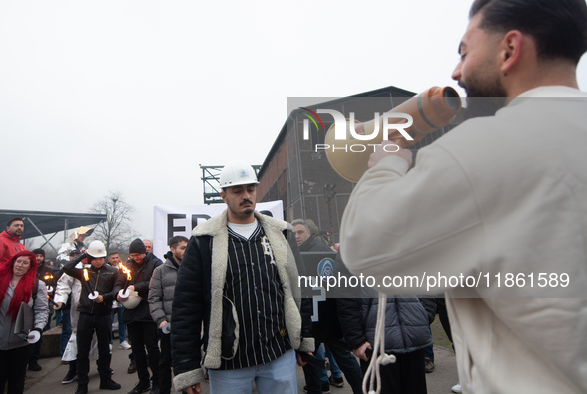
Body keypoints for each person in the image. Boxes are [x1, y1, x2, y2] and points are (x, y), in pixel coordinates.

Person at [339, 1, 587, 392]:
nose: (457, 72)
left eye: (464, 51)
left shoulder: (482, 147)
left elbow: (365, 247)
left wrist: (387, 163)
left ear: (510, 49)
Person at [171, 160, 314, 394]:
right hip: (229, 364)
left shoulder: (281, 234)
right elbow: (186, 306)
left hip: (278, 354)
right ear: (223, 196)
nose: (246, 195)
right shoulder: (204, 240)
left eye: (250, 189)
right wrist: (186, 368)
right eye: (237, 191)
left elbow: (299, 291)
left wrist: (304, 339)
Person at [335, 252, 435, 394]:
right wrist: (356, 340)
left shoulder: (410, 235)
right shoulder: (354, 240)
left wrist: (424, 314)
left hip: (413, 340)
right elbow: (345, 295)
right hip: (375, 344)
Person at [62, 241, 121, 394]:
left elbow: (116, 290)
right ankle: (82, 384)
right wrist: (83, 254)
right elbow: (66, 268)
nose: (98, 261)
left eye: (101, 257)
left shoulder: (112, 271)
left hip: (104, 314)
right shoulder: (84, 271)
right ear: (89, 257)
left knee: (104, 349)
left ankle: (105, 379)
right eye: (94, 257)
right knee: (82, 351)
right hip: (86, 314)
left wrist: (105, 297)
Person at [0, 251, 48, 394]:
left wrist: (38, 329)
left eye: (25, 263)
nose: (20, 265)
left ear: (30, 266)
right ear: (13, 262)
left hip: (21, 343)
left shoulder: (37, 285)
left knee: (16, 381)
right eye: (18, 261)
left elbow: (42, 310)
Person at [117, 238, 163, 394]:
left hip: (149, 310)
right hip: (131, 312)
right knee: (137, 349)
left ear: (145, 252)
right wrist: (119, 292)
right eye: (132, 255)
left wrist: (135, 287)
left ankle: (157, 381)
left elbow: (154, 283)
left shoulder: (156, 264)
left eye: (138, 255)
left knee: (152, 347)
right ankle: (143, 382)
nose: (135, 258)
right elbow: (119, 282)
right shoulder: (127, 266)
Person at [148, 235, 188, 394]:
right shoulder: (159, 271)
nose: (186, 251)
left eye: (187, 247)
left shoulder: (192, 268)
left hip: (187, 325)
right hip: (168, 327)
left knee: (187, 362)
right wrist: (161, 320)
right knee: (165, 361)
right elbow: (154, 298)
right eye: (183, 248)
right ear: (173, 249)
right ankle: (164, 390)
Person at [54, 249, 100, 385]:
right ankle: (73, 368)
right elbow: (63, 285)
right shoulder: (75, 270)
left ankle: (102, 366)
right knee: (77, 337)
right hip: (78, 309)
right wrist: (60, 300)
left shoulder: (100, 268)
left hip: (96, 308)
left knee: (99, 338)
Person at [26, 248, 55, 371]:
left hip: (43, 304)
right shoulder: (29, 269)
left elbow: (54, 284)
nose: (38, 258)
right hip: (28, 304)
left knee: (39, 332)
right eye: (36, 256)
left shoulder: (48, 271)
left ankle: (34, 360)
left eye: (40, 256)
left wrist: (51, 290)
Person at [107, 252, 130, 350]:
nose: (115, 260)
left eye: (116, 258)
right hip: (110, 298)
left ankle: (122, 341)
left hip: (121, 297)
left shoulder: (122, 268)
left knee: (122, 320)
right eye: (113, 258)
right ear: (109, 259)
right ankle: (109, 342)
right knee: (109, 321)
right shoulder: (106, 270)